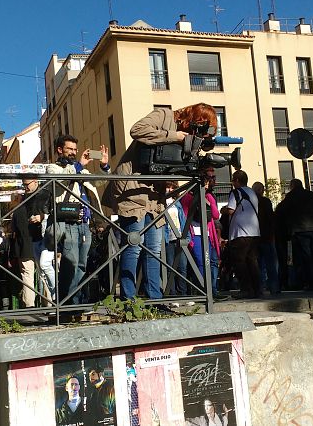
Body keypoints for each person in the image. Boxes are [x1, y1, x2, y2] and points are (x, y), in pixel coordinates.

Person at [102, 103, 214, 300]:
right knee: (134, 245)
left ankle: (155, 299)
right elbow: (136, 130)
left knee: (154, 249)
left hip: (155, 196)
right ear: (194, 119)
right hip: (132, 190)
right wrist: (175, 136)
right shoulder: (164, 115)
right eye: (200, 125)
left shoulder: (187, 140)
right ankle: (128, 300)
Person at [46, 135, 109, 305]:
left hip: (85, 224)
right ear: (60, 150)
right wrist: (79, 165)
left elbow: (99, 182)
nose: (74, 153)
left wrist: (104, 165)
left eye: (75, 149)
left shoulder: (81, 170)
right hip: (68, 222)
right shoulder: (53, 168)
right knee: (70, 265)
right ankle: (67, 304)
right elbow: (59, 181)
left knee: (82, 265)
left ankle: (78, 302)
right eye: (70, 149)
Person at [181, 169, 222, 299]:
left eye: (207, 182)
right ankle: (203, 290)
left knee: (209, 262)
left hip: (208, 235)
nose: (206, 184)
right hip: (196, 234)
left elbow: (215, 215)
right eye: (204, 182)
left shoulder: (208, 196)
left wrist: (208, 202)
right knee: (200, 262)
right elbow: (186, 216)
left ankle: (211, 289)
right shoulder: (188, 196)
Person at [277, 179, 313, 290]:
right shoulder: (311, 194)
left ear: (292, 186)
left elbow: (280, 210)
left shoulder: (291, 196)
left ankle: (309, 281)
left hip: (299, 229)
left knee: (305, 256)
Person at [222, 170, 261, 298]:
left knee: (240, 262)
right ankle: (257, 289)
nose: (232, 183)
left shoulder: (235, 192)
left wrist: (223, 209)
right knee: (252, 262)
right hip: (254, 232)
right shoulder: (253, 193)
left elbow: (231, 210)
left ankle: (245, 289)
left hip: (240, 233)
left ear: (237, 181)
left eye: (233, 180)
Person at [11, 179, 49, 307]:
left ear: (36, 182)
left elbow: (14, 230)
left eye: (27, 184)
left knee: (30, 276)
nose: (25, 187)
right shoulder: (41, 199)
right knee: (43, 273)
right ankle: (47, 304)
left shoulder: (18, 209)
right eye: (24, 184)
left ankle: (30, 305)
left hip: (29, 244)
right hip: (35, 241)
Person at [163, 181, 189, 297]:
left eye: (172, 187)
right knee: (170, 267)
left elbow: (182, 219)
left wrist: (186, 236)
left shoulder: (177, 202)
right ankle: (172, 294)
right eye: (168, 187)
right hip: (167, 238)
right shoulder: (161, 202)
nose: (170, 189)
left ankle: (183, 293)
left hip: (179, 237)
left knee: (182, 267)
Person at [252, 181, 278, 294]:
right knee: (270, 263)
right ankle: (274, 287)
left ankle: (259, 288)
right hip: (266, 236)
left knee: (258, 265)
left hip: (254, 237)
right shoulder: (265, 201)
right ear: (260, 190)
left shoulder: (250, 202)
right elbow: (271, 218)